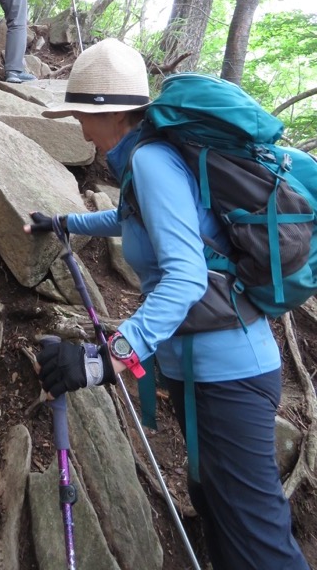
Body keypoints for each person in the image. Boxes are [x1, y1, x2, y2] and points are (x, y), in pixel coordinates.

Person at [24, 38, 310, 570]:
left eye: (81, 114)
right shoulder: (147, 161)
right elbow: (135, 221)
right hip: (204, 372)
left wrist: (104, 360)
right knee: (218, 513)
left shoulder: (153, 161)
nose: (78, 126)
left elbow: (184, 277)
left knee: (259, 542)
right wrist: (64, 223)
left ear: (107, 115)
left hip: (227, 375)